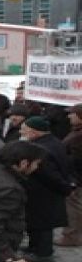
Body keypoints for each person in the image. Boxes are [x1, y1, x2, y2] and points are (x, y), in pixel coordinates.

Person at [19, 117, 72, 262]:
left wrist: (64, 189)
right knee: (36, 222)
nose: (21, 132)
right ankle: (33, 246)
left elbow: (50, 175)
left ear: (34, 132)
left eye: (24, 130)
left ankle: (43, 253)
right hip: (43, 191)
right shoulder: (50, 141)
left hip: (44, 193)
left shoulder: (41, 150)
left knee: (43, 224)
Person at [58, 104, 82, 247]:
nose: (69, 116)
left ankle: (71, 237)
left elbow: (76, 159)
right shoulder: (76, 131)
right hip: (74, 175)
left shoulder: (79, 135)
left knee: (73, 206)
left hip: (76, 177)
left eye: (72, 113)